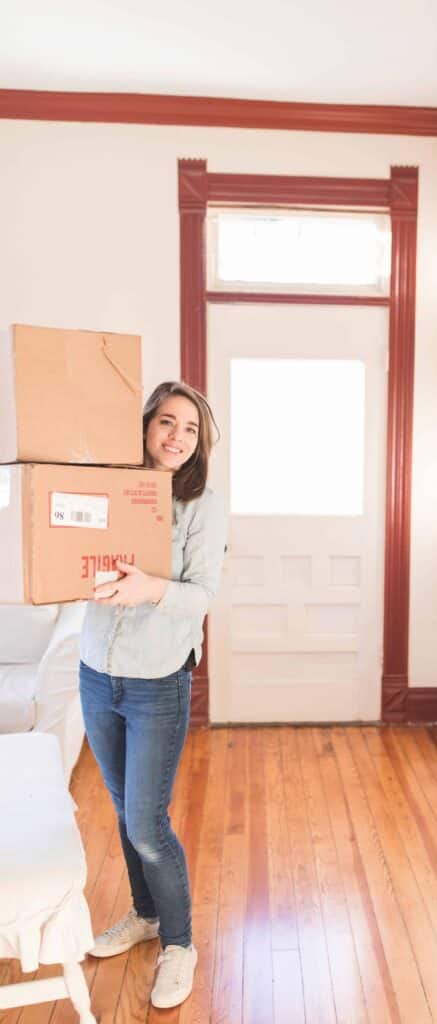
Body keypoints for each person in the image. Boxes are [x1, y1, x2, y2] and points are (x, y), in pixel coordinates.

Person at [78, 380, 226, 1009]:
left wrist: (151, 589)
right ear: (145, 428)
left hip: (157, 679)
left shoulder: (202, 506)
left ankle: (181, 944)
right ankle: (144, 916)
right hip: (95, 671)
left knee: (146, 823)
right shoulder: (110, 492)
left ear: (199, 444)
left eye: (189, 429)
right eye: (167, 423)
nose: (176, 437)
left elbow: (203, 594)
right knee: (121, 809)